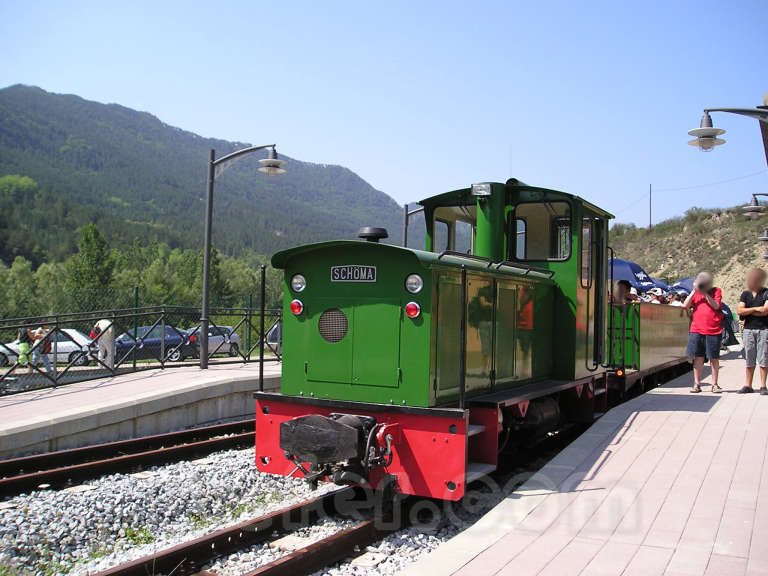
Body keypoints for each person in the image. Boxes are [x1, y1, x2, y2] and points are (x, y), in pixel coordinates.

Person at [684, 271, 723, 393]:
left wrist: (705, 293)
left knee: (714, 358)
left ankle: (715, 384)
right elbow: (685, 306)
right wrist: (693, 291)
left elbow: (716, 306)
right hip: (697, 330)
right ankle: (697, 384)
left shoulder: (716, 291)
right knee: (698, 358)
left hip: (713, 330)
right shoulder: (695, 293)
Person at [737, 268, 768, 394]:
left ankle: (762, 386)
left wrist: (749, 310)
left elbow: (765, 311)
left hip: (764, 329)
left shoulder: (766, 292)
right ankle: (748, 385)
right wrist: (757, 309)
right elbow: (739, 311)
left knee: (763, 357)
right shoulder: (745, 294)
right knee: (749, 357)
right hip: (748, 329)